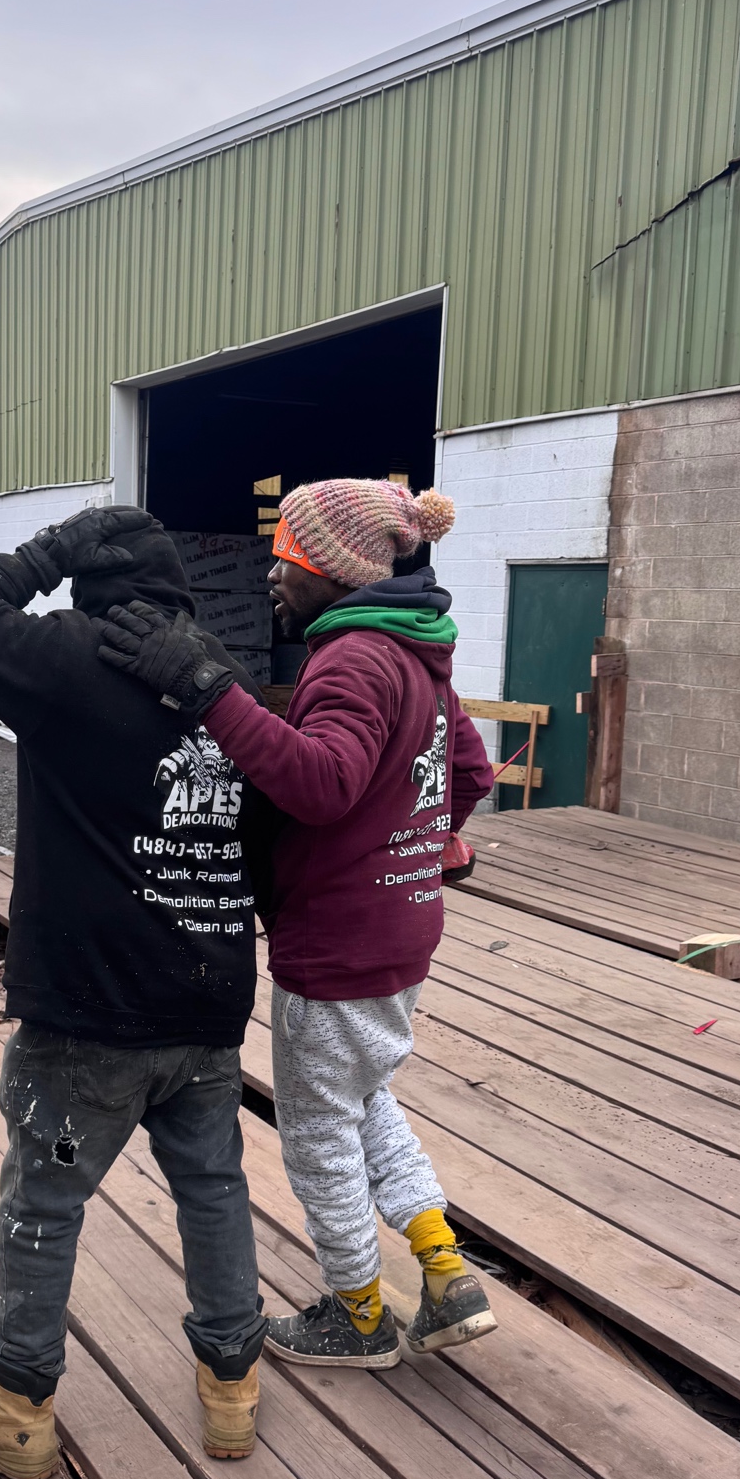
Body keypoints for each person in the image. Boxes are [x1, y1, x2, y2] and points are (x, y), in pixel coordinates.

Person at [98, 479, 497, 1370]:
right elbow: (467, 772)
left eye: (286, 557)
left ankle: (357, 1316)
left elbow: (320, 783)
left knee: (317, 1135)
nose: (272, 575)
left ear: (334, 568)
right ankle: (444, 1271)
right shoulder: (417, 652)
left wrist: (207, 689)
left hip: (337, 942)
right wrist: (419, 847)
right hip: (400, 929)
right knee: (363, 1093)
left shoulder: (353, 658)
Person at [0, 505, 270, 1479]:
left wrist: (44, 553)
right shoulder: (220, 677)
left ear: (89, 579)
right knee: (212, 1186)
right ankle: (231, 1384)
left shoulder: (69, 658)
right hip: (204, 1016)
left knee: (49, 1186)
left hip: (89, 1036)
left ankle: (18, 1400)